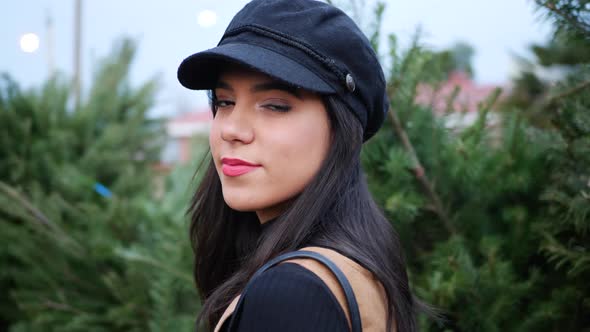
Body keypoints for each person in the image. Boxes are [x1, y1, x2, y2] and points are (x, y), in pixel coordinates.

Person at [177, 0, 418, 331]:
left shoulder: (292, 294)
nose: (232, 129)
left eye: (275, 106)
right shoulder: (349, 267)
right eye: (224, 102)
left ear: (340, 130)